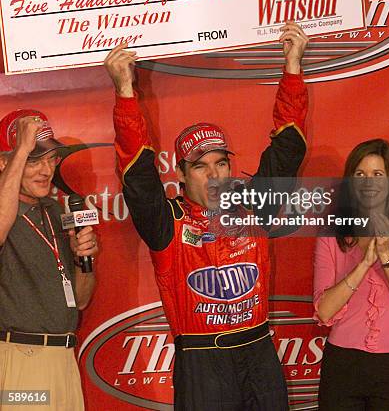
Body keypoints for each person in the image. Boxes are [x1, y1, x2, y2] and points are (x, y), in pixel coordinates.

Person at [104, 21, 309, 410]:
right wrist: (125, 92)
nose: (215, 175)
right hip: (201, 362)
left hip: (259, 354)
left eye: (221, 164)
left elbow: (286, 150)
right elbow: (137, 176)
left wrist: (293, 68)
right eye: (201, 166)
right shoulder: (167, 221)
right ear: (180, 174)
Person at [314, 138, 389, 411]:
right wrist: (363, 264)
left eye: (377, 174)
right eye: (360, 174)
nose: (368, 183)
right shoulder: (331, 234)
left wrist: (387, 254)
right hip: (343, 365)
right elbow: (325, 311)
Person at [0, 109, 99, 411]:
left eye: (50, 159)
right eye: (34, 159)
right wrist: (21, 150)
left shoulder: (57, 212)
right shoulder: (6, 213)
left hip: (64, 361)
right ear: (5, 162)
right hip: (22, 363)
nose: (46, 170)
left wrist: (85, 258)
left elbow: (81, 300)